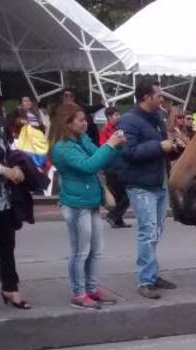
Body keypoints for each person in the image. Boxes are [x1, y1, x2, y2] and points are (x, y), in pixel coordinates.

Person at [49, 102, 126, 310]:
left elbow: (102, 159)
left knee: (95, 249)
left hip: (90, 201)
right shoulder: (62, 147)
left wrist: (116, 146)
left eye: (85, 120)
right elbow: (89, 165)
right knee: (80, 251)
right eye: (81, 120)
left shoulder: (81, 139)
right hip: (75, 204)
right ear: (68, 122)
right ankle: (78, 293)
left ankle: (91, 289)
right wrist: (110, 145)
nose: (85, 124)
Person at [117, 80, 181, 299]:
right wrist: (159, 146)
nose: (162, 99)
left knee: (156, 231)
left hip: (158, 182)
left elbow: (162, 147)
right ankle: (145, 280)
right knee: (148, 231)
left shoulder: (157, 118)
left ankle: (152, 274)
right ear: (146, 97)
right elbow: (128, 152)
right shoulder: (128, 120)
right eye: (159, 96)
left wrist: (172, 148)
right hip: (141, 185)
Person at [0, 126, 30, 309]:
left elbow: (10, 153)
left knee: (7, 247)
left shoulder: (1, 131)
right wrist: (3, 170)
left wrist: (16, 167)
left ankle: (10, 287)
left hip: (3, 201)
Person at [97, 107, 131, 229]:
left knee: (120, 195)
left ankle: (118, 219)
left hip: (120, 165)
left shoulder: (119, 129)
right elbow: (104, 146)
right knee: (125, 195)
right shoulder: (106, 130)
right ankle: (112, 215)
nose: (118, 117)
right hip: (111, 166)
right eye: (116, 115)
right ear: (109, 117)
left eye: (118, 114)